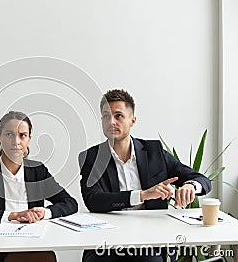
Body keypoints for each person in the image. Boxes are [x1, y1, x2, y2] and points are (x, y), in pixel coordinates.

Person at [79, 89, 211, 262]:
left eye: (118, 116)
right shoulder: (91, 157)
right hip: (107, 243)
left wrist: (190, 186)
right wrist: (142, 195)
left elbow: (202, 180)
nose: (111, 122)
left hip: (151, 241)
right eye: (106, 116)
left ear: (132, 120)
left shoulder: (154, 152)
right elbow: (93, 200)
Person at [0, 111, 78, 262]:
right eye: (9, 134)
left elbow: (70, 203)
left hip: (32, 244)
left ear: (29, 139)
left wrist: (44, 213)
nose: (16, 141)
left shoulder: (38, 171)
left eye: (22, 135)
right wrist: (13, 216)